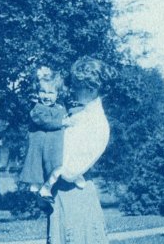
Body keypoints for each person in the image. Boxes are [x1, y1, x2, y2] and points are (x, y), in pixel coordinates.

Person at [45, 57, 114, 244]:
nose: (72, 89)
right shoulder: (79, 116)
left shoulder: (97, 123)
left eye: (77, 85)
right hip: (62, 194)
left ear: (91, 88)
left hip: (76, 197)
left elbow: (70, 170)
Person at [18, 67, 79, 193]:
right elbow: (44, 121)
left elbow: (64, 116)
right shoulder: (37, 109)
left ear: (57, 94)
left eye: (50, 93)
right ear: (37, 93)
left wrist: (68, 119)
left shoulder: (60, 107)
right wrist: (62, 122)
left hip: (55, 143)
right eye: (42, 92)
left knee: (62, 159)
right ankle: (37, 184)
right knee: (38, 164)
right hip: (39, 144)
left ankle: (74, 174)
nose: (46, 96)